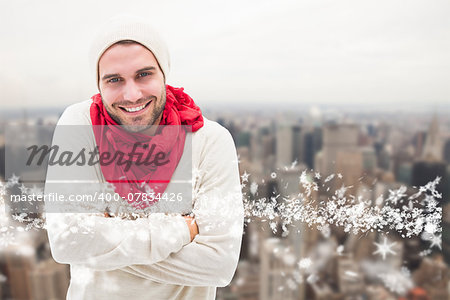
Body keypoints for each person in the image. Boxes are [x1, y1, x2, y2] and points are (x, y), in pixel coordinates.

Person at [45, 15, 244, 300]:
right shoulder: (80, 124)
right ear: (99, 85)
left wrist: (104, 244)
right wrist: (180, 229)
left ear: (164, 74)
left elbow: (219, 264)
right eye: (114, 80)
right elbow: (68, 241)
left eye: (144, 75)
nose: (132, 94)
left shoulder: (209, 140)